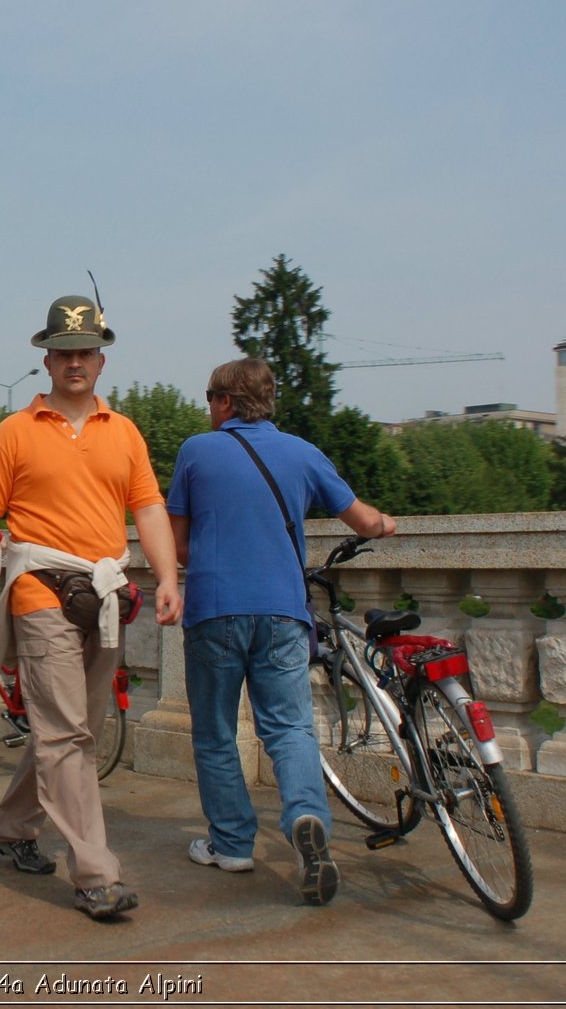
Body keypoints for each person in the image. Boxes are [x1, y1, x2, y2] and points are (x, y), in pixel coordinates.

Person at [0, 294, 182, 920]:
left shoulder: (125, 432)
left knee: (78, 728)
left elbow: (150, 510)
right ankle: (94, 873)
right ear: (47, 361)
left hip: (104, 595)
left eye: (84, 352)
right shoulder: (14, 432)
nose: (73, 362)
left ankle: (11, 826)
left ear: (100, 360)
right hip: (39, 593)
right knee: (66, 732)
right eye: (62, 353)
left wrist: (167, 576)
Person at [166, 357, 396, 906]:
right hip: (283, 612)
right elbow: (365, 522)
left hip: (215, 610)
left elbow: (177, 547)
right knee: (290, 729)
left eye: (209, 398)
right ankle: (307, 820)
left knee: (217, 733)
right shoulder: (302, 452)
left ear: (224, 402)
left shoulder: (197, 452)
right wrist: (387, 523)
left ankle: (232, 845)